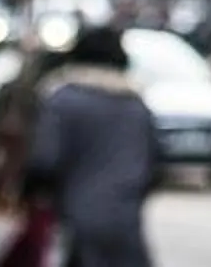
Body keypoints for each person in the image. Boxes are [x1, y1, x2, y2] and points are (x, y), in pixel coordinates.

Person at [24, 24, 158, 267]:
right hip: (126, 220)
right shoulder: (137, 105)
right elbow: (153, 166)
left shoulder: (63, 100)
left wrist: (29, 192)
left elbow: (45, 159)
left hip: (76, 220)